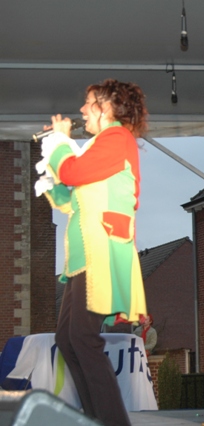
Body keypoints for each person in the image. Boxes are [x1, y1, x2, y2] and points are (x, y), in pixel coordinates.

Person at [34, 79, 148, 426]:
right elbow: (74, 198)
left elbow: (74, 171)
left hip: (102, 252)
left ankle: (111, 421)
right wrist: (51, 179)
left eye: (89, 102)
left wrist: (59, 143)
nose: (82, 110)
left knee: (82, 338)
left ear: (108, 107)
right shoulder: (101, 144)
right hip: (85, 257)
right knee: (68, 339)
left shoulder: (118, 138)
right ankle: (96, 418)